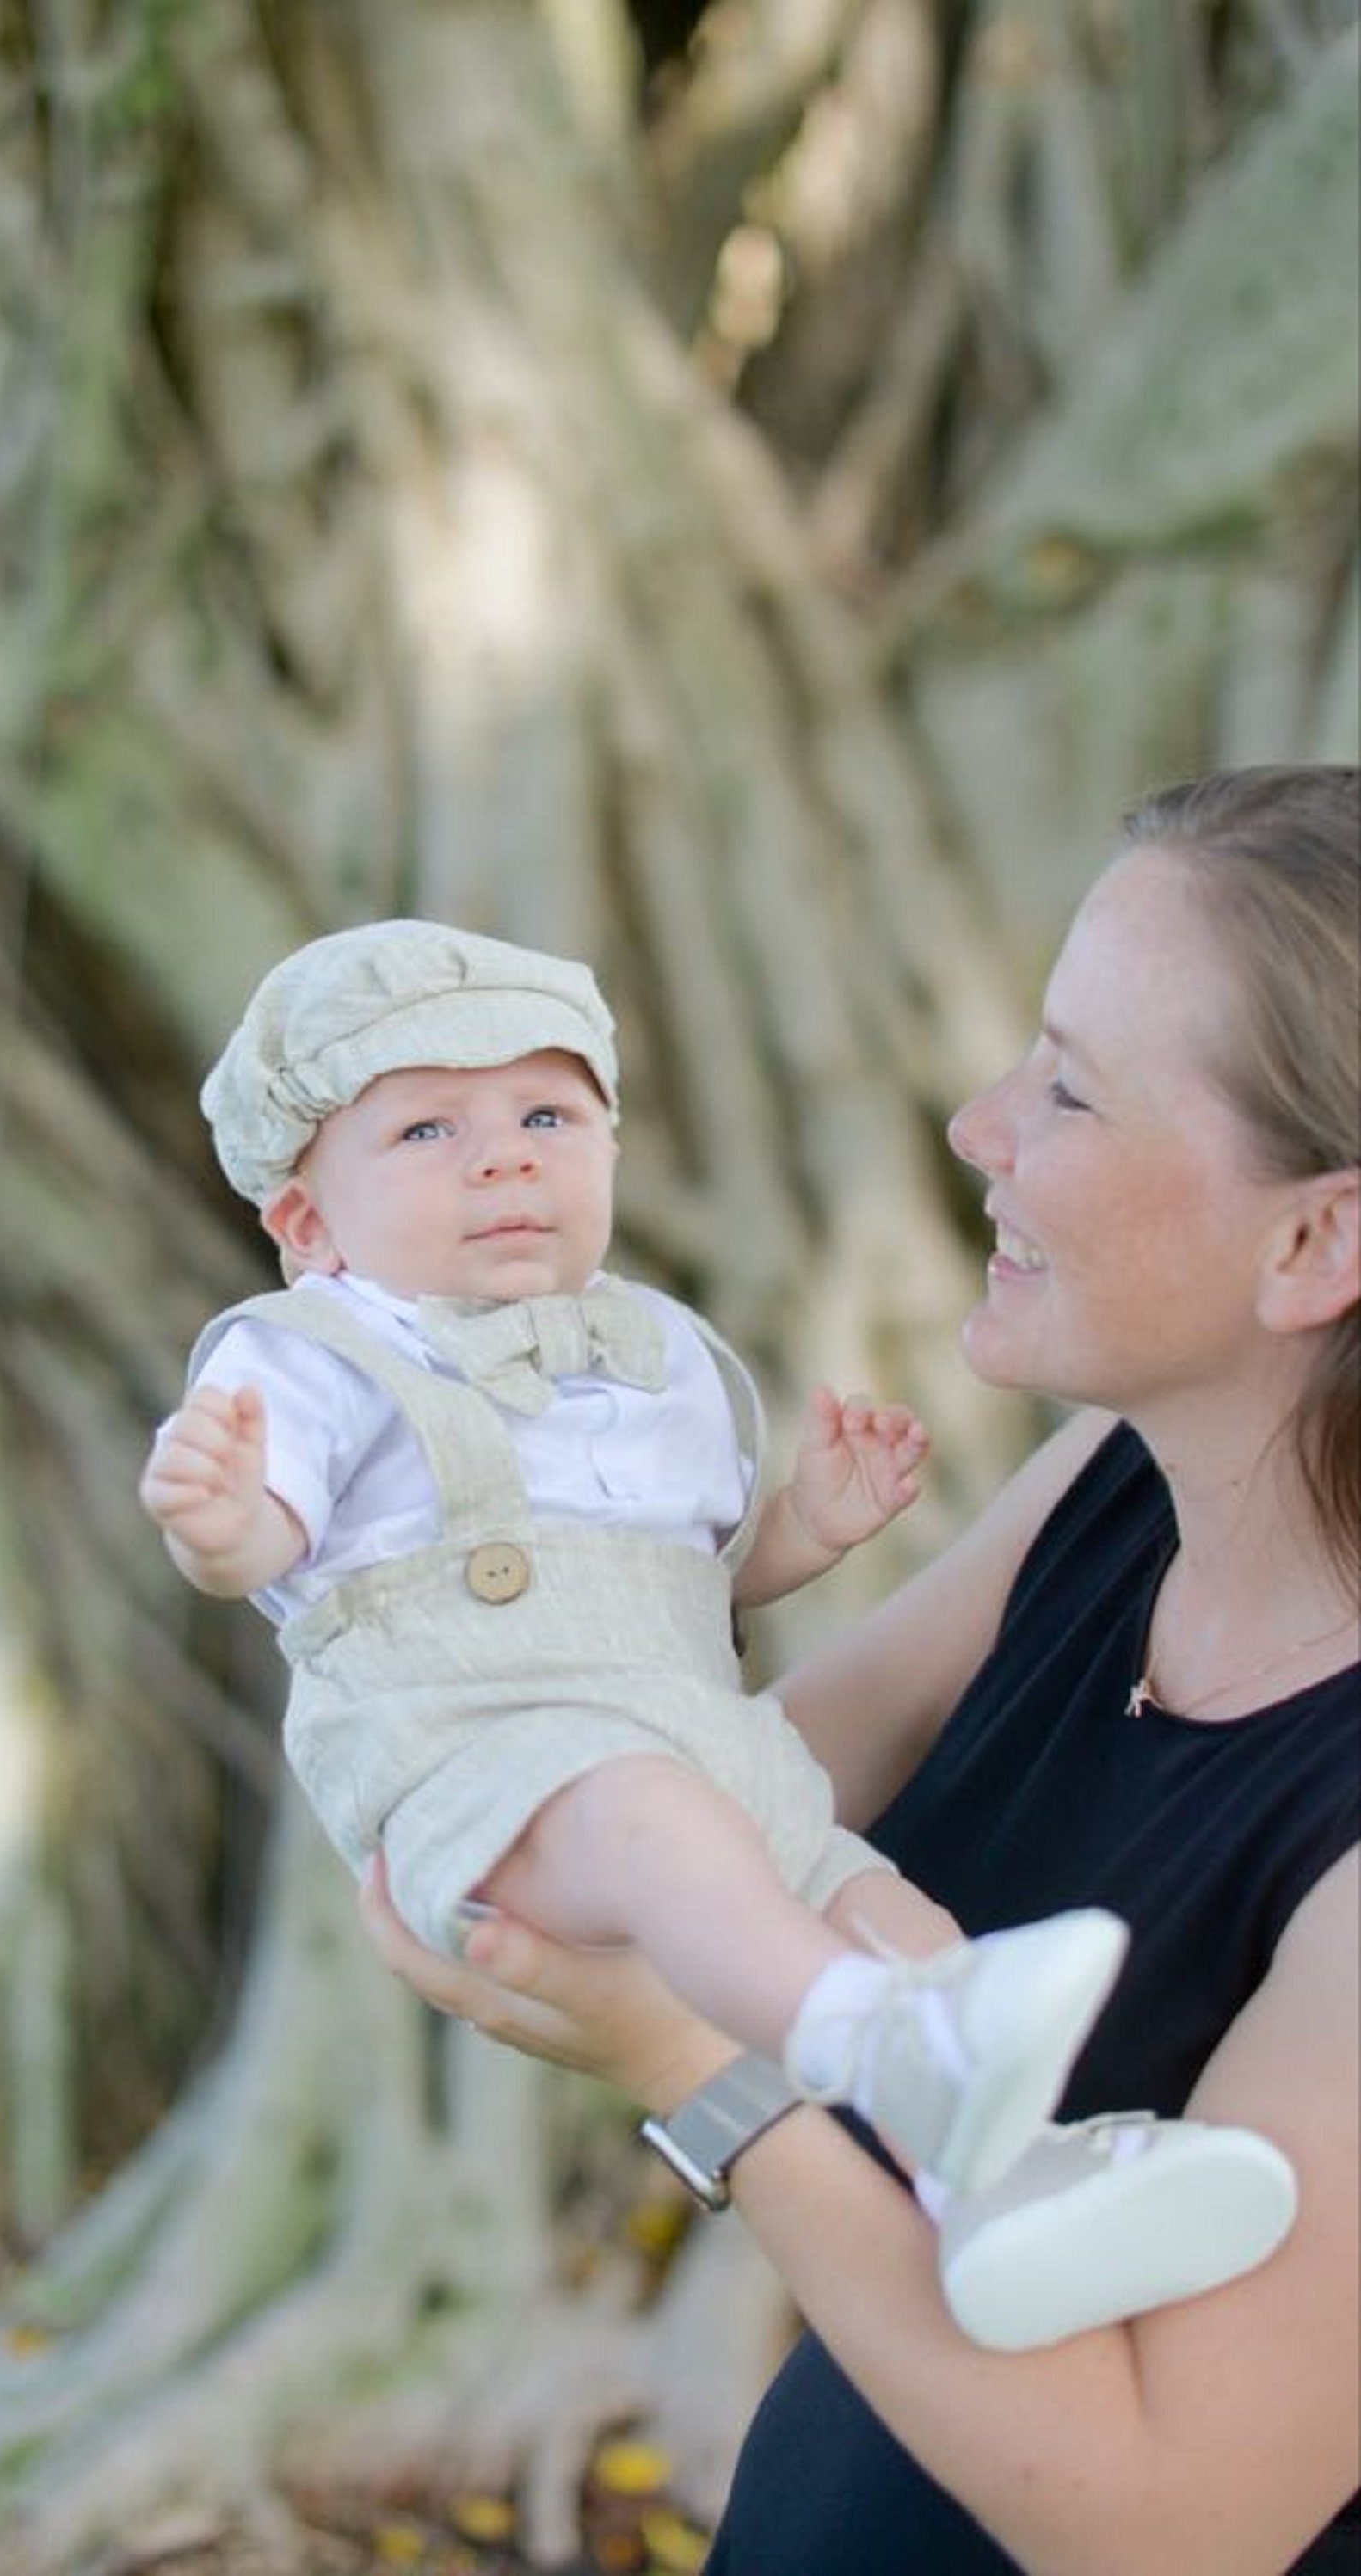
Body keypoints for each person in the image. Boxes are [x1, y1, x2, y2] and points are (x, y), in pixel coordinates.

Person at [360, 765, 1361, 2573]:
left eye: (1066, 1086)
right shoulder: (1116, 1490)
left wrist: (705, 2071)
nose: (980, 1126)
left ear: (1315, 1239)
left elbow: (1172, 2523)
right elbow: (728, 1791)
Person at [143, 914, 1295, 2355]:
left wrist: (801, 1531)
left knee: (879, 1900)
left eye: (546, 1114)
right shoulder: (314, 1356)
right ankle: (866, 2038)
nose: (503, 1156)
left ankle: (1009, 2186)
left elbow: (687, 1583)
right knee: (653, 1823)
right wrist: (217, 1514)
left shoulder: (656, 1356)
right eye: (427, 1129)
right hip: (490, 1764)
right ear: (307, 1225)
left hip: (698, 1740)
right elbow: (269, 1550)